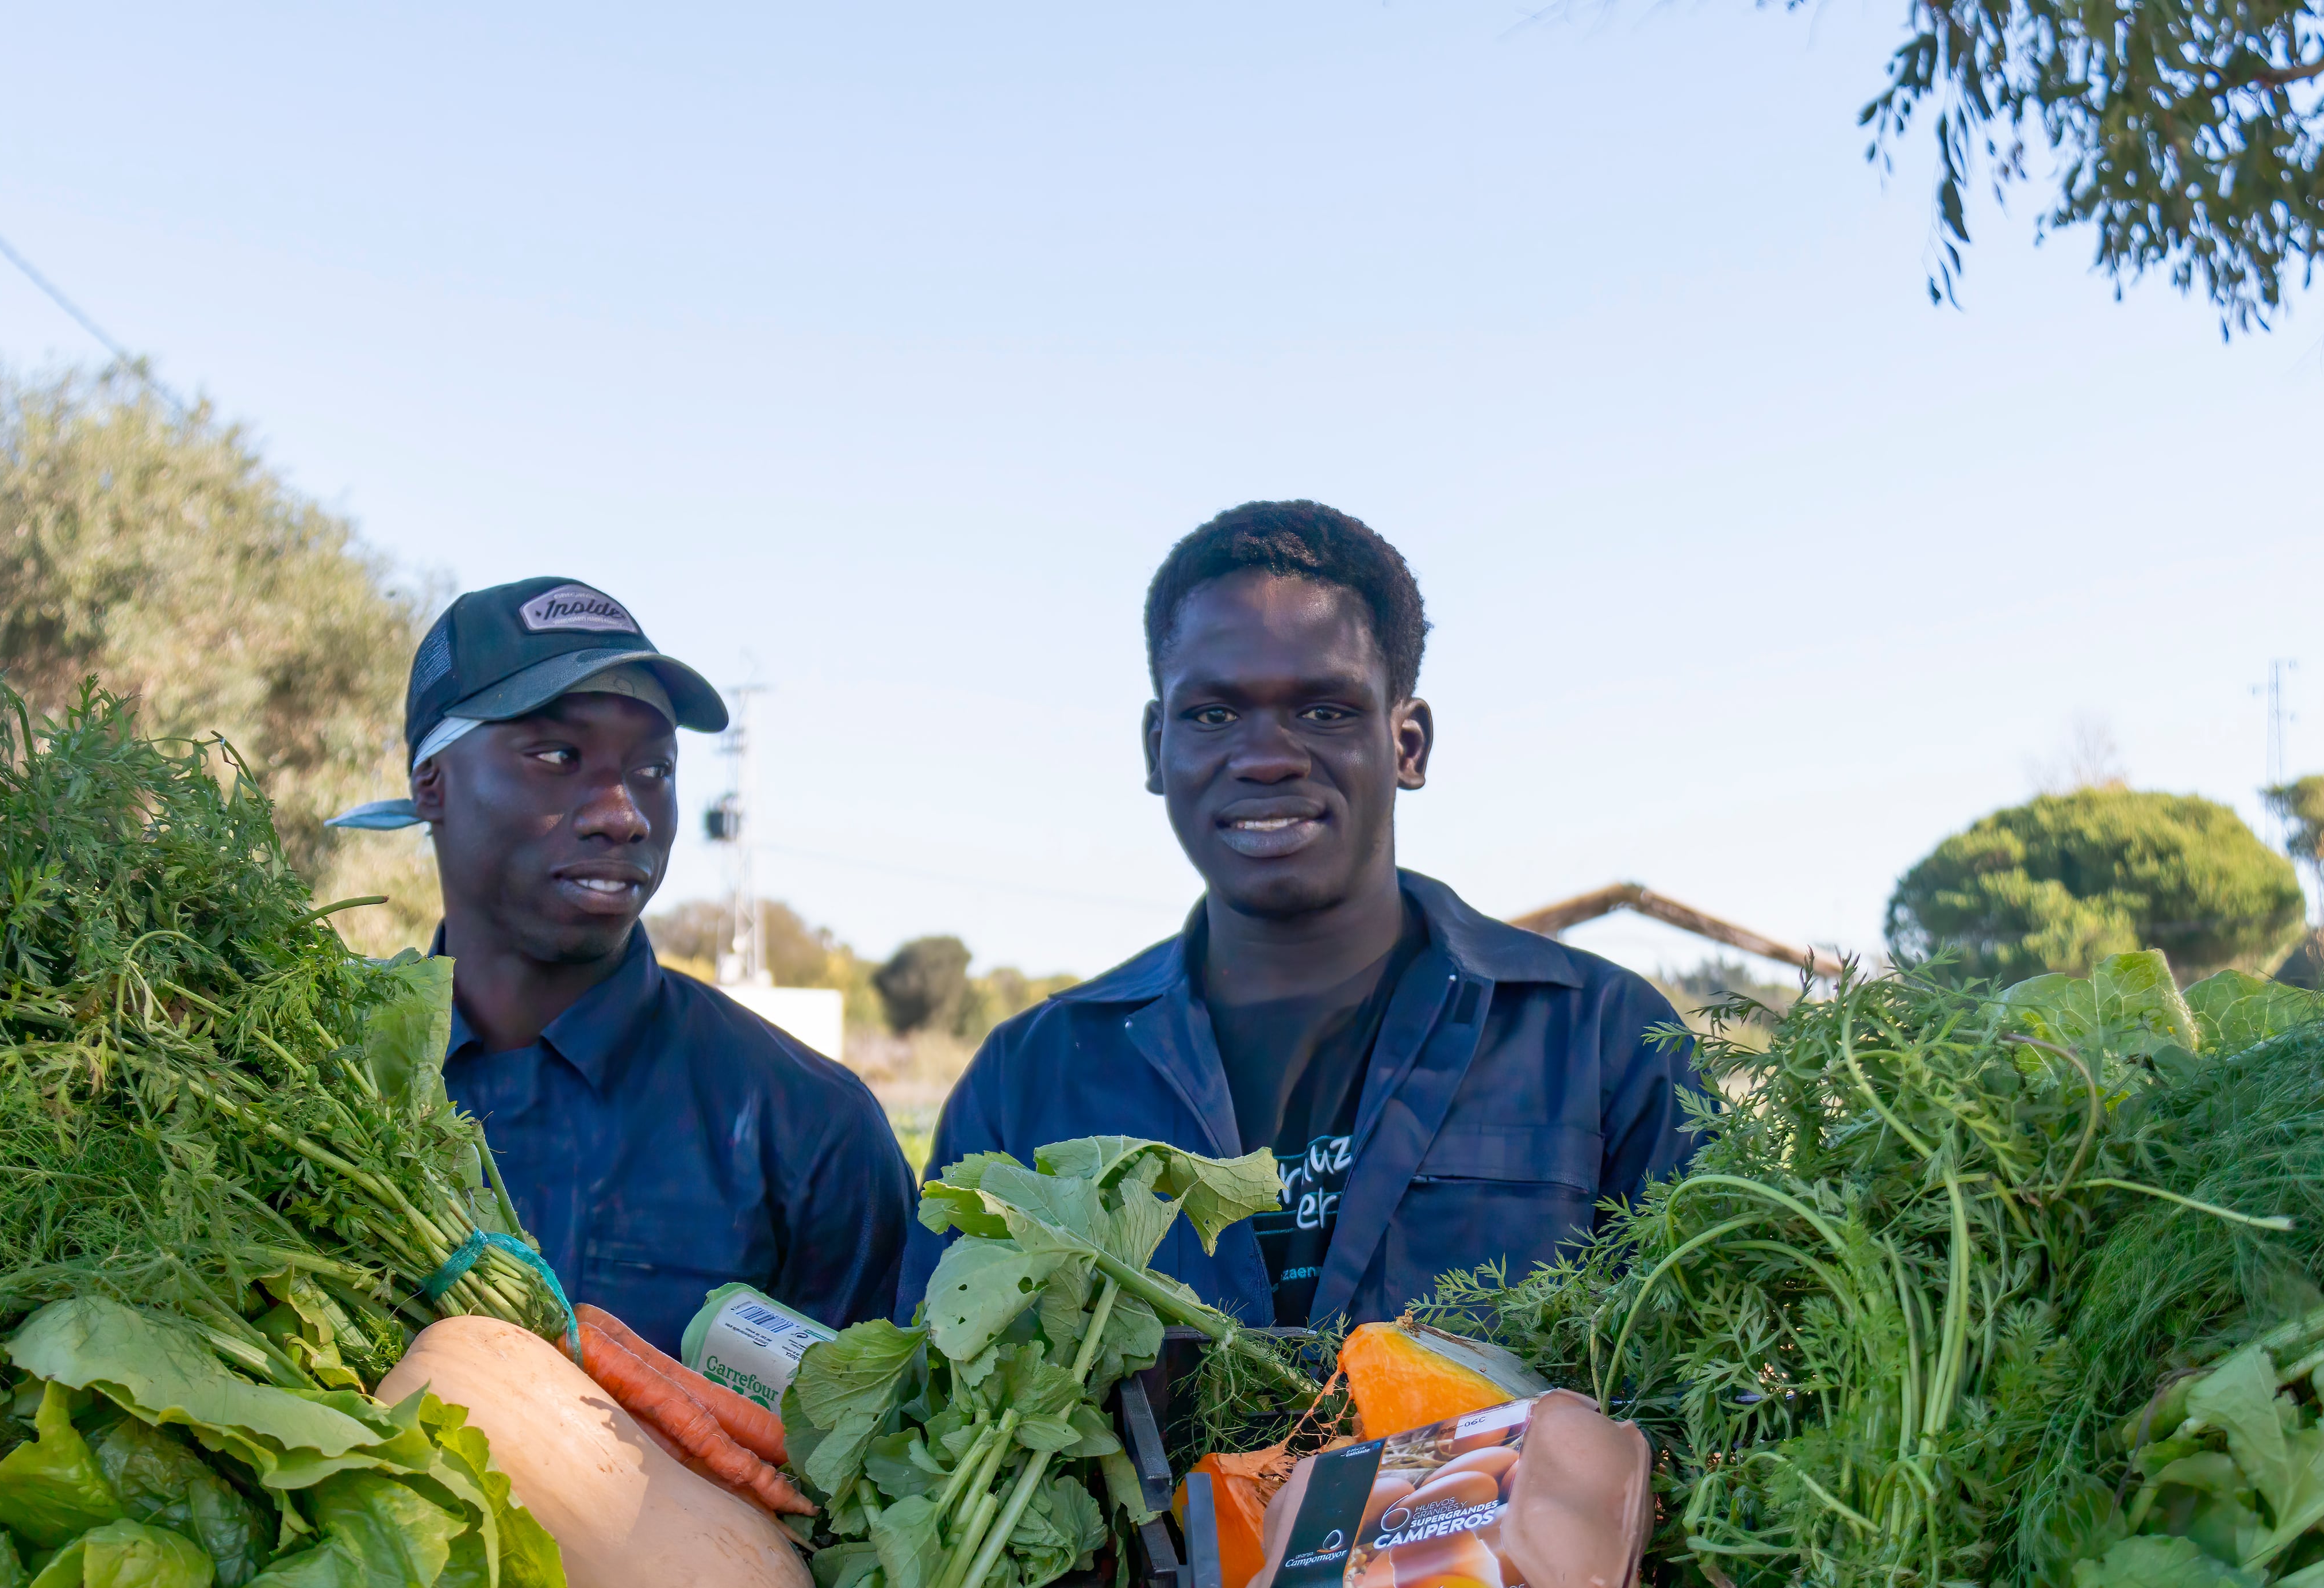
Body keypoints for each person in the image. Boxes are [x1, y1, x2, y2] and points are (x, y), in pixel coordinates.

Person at [898, 503, 1701, 1330]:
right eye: (1213, 714)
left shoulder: (1603, 1040)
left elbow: (1707, 1403)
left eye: (1325, 710)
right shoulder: (1030, 1078)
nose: (1268, 756)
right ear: (1156, 746)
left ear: (1409, 744)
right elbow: (944, 1402)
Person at [336, 576, 911, 1352]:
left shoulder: (808, 1126)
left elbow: (877, 1448)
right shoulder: (309, 1084)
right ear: (429, 783)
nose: (624, 812)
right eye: (558, 754)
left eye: (655, 770)